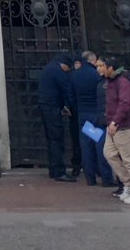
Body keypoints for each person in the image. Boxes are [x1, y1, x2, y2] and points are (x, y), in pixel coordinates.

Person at [97, 54, 130, 205]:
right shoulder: (110, 81)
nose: (98, 69)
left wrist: (115, 122)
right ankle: (128, 184)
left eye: (101, 66)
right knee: (109, 153)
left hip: (123, 126)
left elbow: (125, 104)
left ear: (110, 67)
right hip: (113, 126)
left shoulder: (123, 81)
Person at [72, 50, 115, 186]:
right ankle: (106, 178)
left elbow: (70, 96)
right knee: (101, 146)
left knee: (87, 146)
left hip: (83, 115)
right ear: (93, 60)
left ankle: (90, 178)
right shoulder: (96, 75)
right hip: (96, 114)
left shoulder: (75, 75)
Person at [38, 53, 77, 181]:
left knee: (50, 139)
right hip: (52, 108)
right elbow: (67, 89)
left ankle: (53, 169)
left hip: (45, 107)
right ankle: (59, 171)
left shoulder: (48, 68)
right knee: (57, 139)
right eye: (68, 69)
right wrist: (70, 106)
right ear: (64, 65)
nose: (68, 71)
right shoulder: (58, 71)